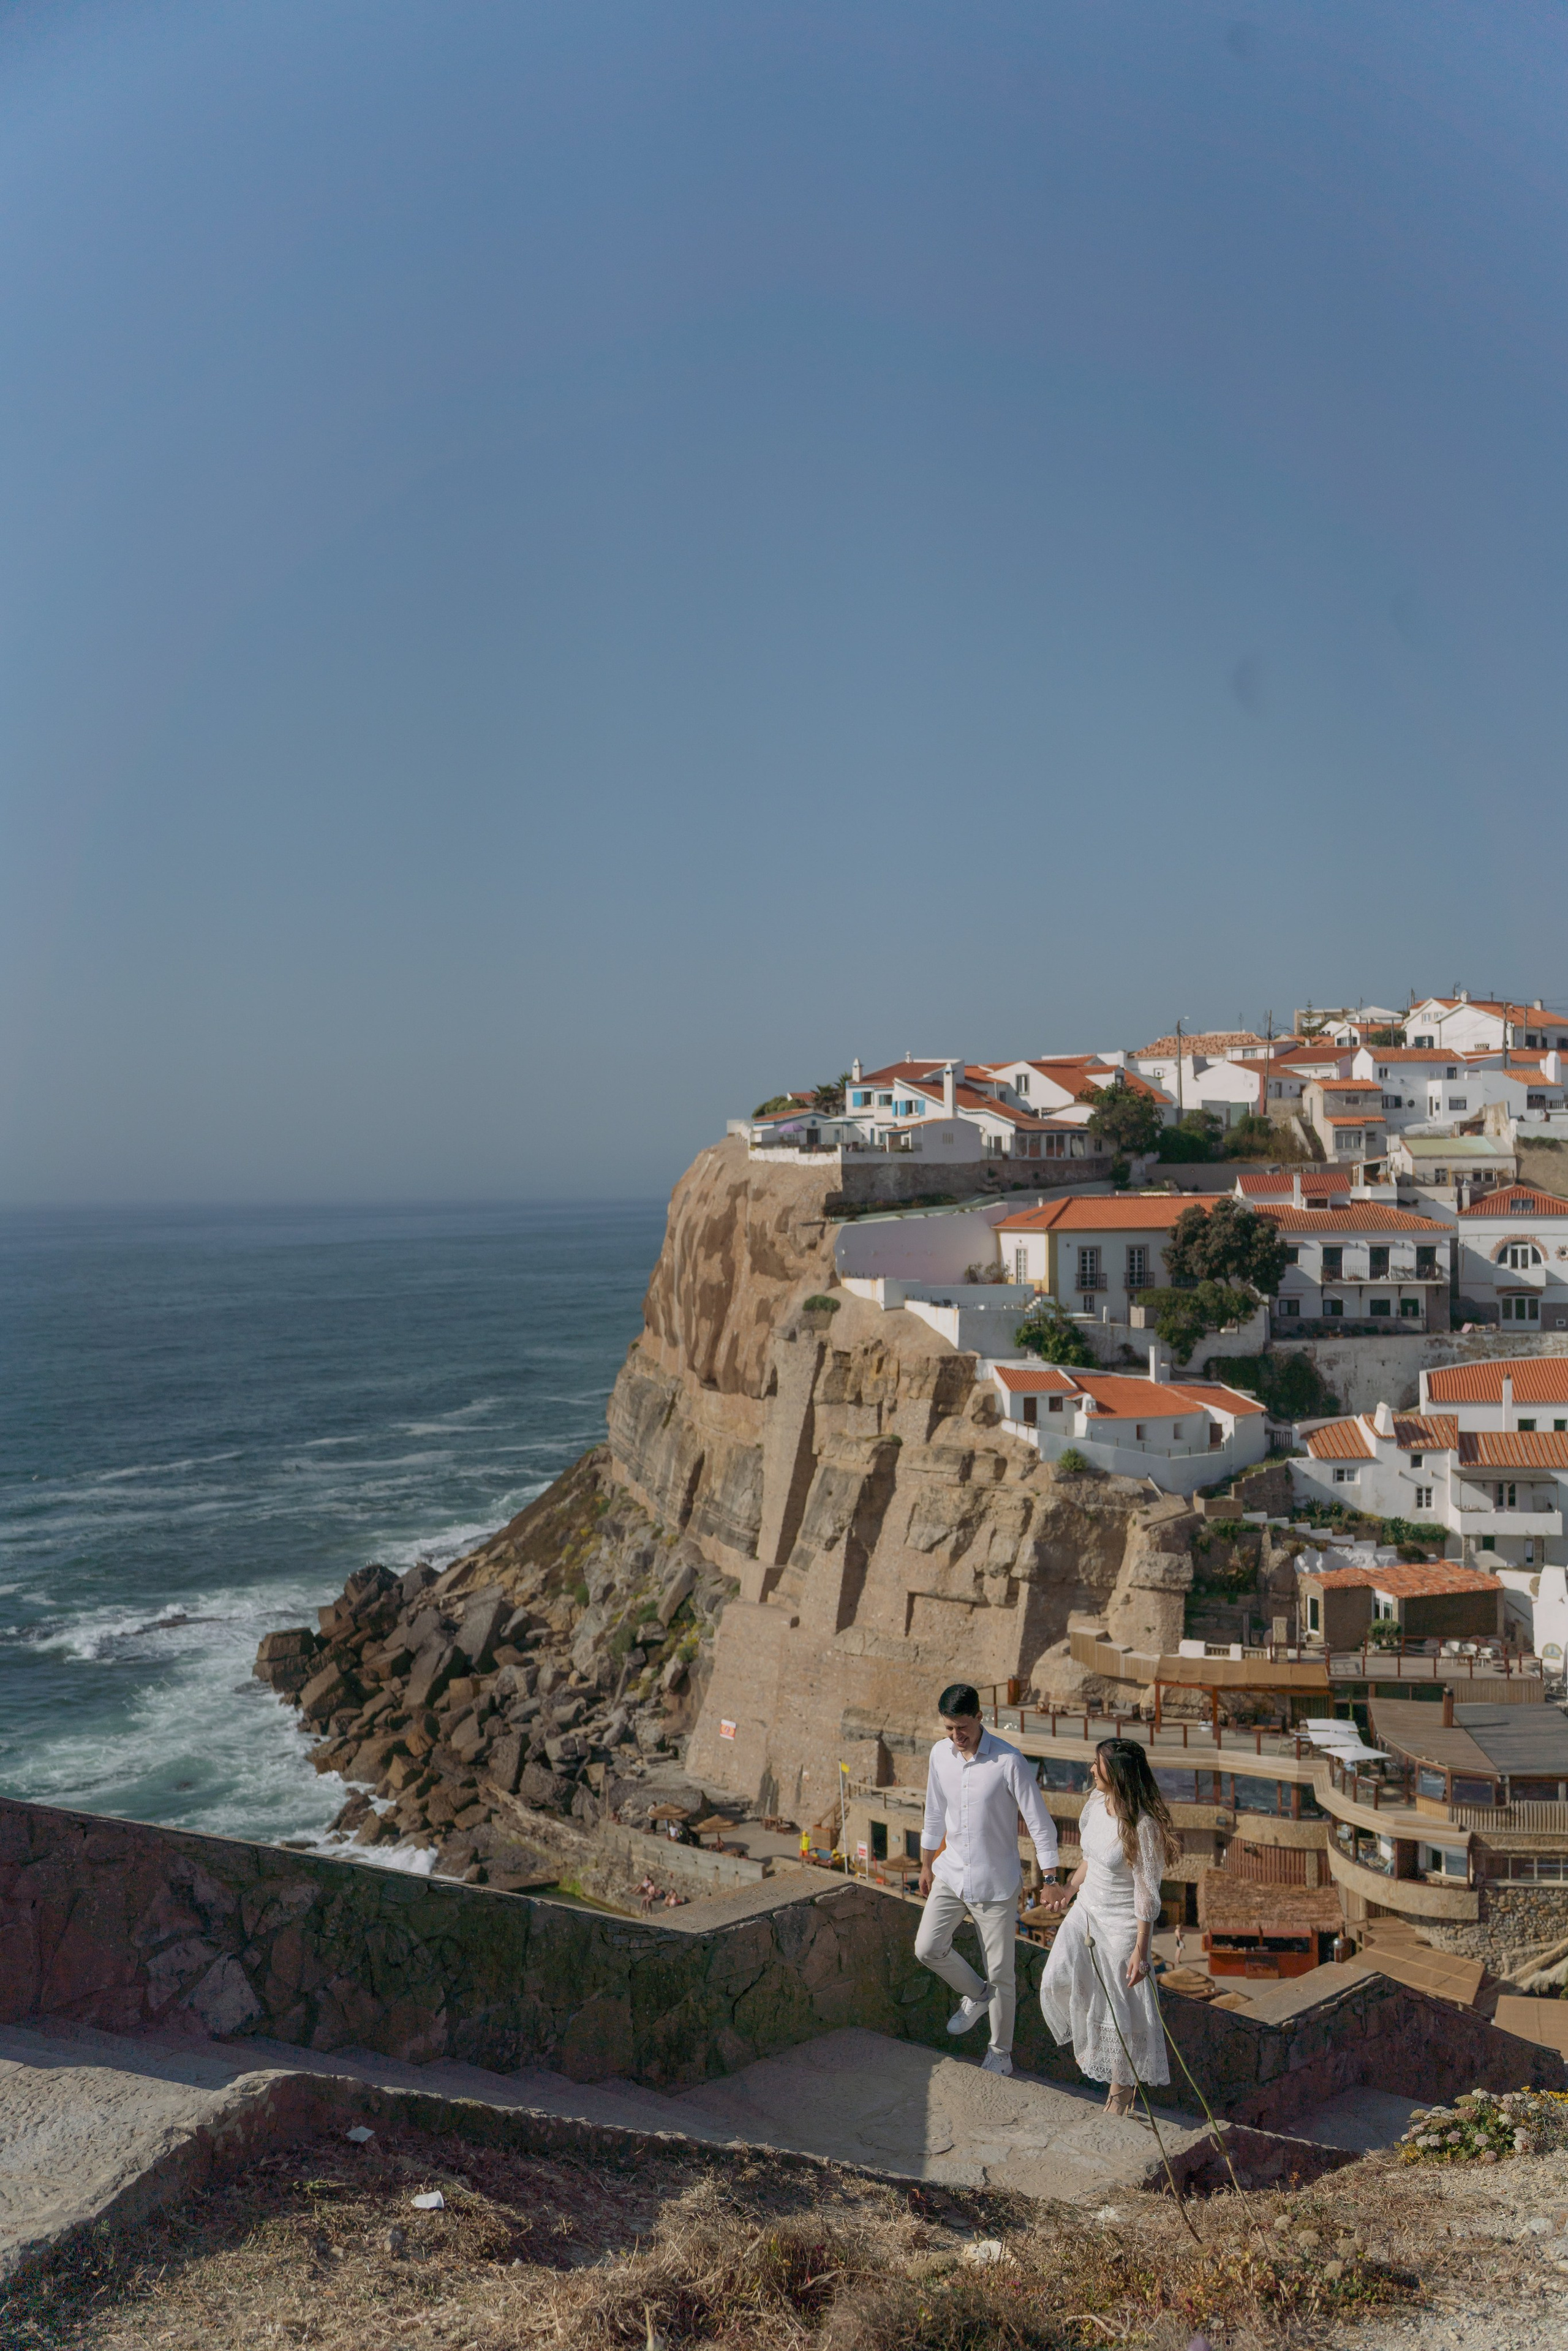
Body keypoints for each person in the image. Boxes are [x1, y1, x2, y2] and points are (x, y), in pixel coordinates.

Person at [915, 1681, 1060, 2078]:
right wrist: (927, 1864)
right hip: (951, 1872)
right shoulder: (939, 1755)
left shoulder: (1010, 1762)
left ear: (981, 1718)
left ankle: (1000, 2053)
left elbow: (1040, 1824)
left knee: (1002, 1975)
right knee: (927, 1947)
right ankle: (976, 1995)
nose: (956, 1736)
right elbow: (933, 1812)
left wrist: (1050, 1877)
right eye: (948, 1728)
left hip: (996, 1884)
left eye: (962, 1727)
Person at [1036, 1737, 1180, 2116]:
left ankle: (1118, 2104)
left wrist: (1141, 1950)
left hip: (1120, 1926)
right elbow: (1090, 1859)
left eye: (1097, 1765)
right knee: (1055, 1979)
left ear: (1116, 1773)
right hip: (1086, 1910)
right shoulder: (1096, 1803)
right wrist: (1068, 1888)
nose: (1091, 1770)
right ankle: (1091, 2052)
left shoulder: (1143, 1826)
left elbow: (1147, 1894)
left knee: (1122, 2017)